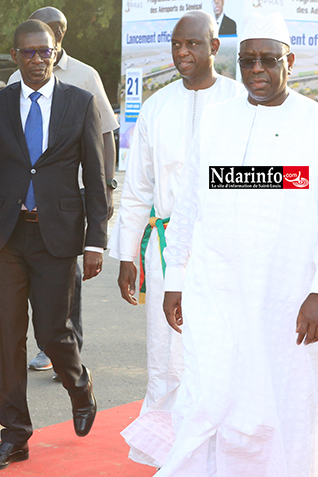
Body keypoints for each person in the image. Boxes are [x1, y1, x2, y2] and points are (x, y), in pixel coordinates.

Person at [145, 12, 318, 474]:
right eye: (247, 60)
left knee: (288, 402)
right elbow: (189, 209)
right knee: (214, 395)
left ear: (290, 61)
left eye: (267, 59)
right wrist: (175, 278)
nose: (256, 69)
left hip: (290, 298)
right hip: (218, 292)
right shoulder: (217, 121)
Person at [0, 19, 107, 472]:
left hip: (58, 235)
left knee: (52, 332)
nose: (37, 59)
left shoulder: (80, 103)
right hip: (6, 235)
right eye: (28, 52)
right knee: (7, 338)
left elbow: (96, 178)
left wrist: (96, 242)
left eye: (44, 51)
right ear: (14, 57)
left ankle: (79, 385)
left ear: (56, 50)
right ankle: (15, 437)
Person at [108, 10, 245, 468]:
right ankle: (168, 456)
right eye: (177, 45)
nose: (183, 53)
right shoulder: (156, 106)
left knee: (220, 350)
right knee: (166, 355)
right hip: (164, 247)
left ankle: (220, 455)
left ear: (215, 48)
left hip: (224, 247)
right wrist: (127, 254)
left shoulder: (240, 101)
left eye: (193, 45)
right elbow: (138, 186)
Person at [8, 6, 120, 375]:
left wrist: (106, 185)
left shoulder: (85, 76)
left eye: (56, 29)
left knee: (65, 283)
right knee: (31, 283)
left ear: (62, 36)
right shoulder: (16, 78)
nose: (50, 34)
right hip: (24, 204)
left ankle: (68, 352)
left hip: (68, 199)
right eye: (44, 28)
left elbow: (104, 131)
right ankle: (47, 346)